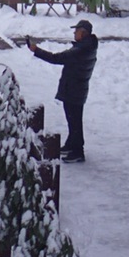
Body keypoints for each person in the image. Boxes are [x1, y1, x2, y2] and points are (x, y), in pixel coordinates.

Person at [27, 18, 98, 161]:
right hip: (76, 89)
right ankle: (72, 144)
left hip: (74, 90)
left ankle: (77, 152)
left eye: (76, 31)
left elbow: (56, 58)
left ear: (83, 33)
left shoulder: (80, 50)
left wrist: (36, 50)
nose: (74, 33)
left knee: (74, 121)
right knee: (73, 120)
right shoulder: (86, 46)